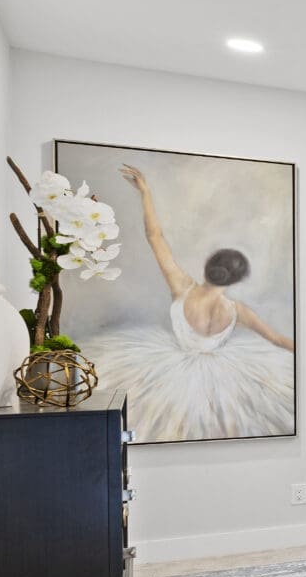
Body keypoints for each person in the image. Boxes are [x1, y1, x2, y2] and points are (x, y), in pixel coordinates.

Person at [92, 164, 295, 441]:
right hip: (221, 376)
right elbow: (276, 339)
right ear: (236, 279)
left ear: (207, 268)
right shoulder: (239, 312)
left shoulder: (181, 286)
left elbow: (155, 237)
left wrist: (145, 192)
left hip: (171, 373)